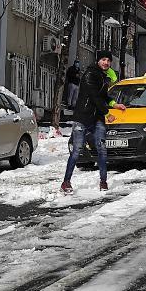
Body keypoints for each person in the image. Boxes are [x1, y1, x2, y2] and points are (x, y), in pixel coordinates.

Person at [61, 51, 126, 194]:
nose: (106, 63)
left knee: (102, 149)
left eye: (108, 60)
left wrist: (115, 105)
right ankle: (66, 182)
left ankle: (103, 181)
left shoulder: (103, 77)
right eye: (103, 60)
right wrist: (108, 113)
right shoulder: (90, 74)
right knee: (77, 150)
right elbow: (95, 97)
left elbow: (104, 97)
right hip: (83, 118)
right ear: (98, 61)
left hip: (97, 118)